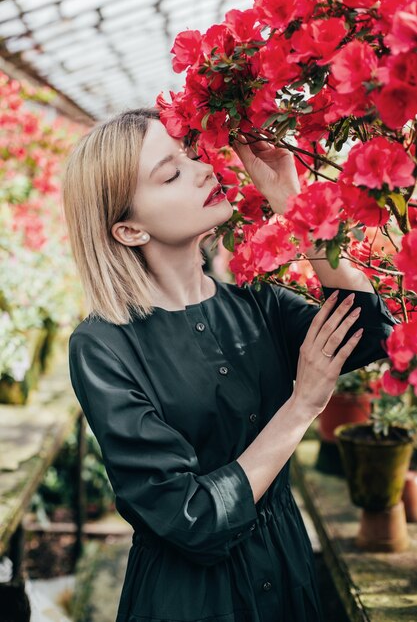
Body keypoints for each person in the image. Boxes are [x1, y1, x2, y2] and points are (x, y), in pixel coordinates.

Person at [63, 108, 398, 622]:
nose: (202, 169)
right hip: (191, 601)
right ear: (129, 230)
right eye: (170, 173)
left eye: (192, 155)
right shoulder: (103, 346)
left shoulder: (257, 303)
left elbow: (370, 332)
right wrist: (301, 406)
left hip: (286, 571)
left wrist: (293, 202)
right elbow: (188, 517)